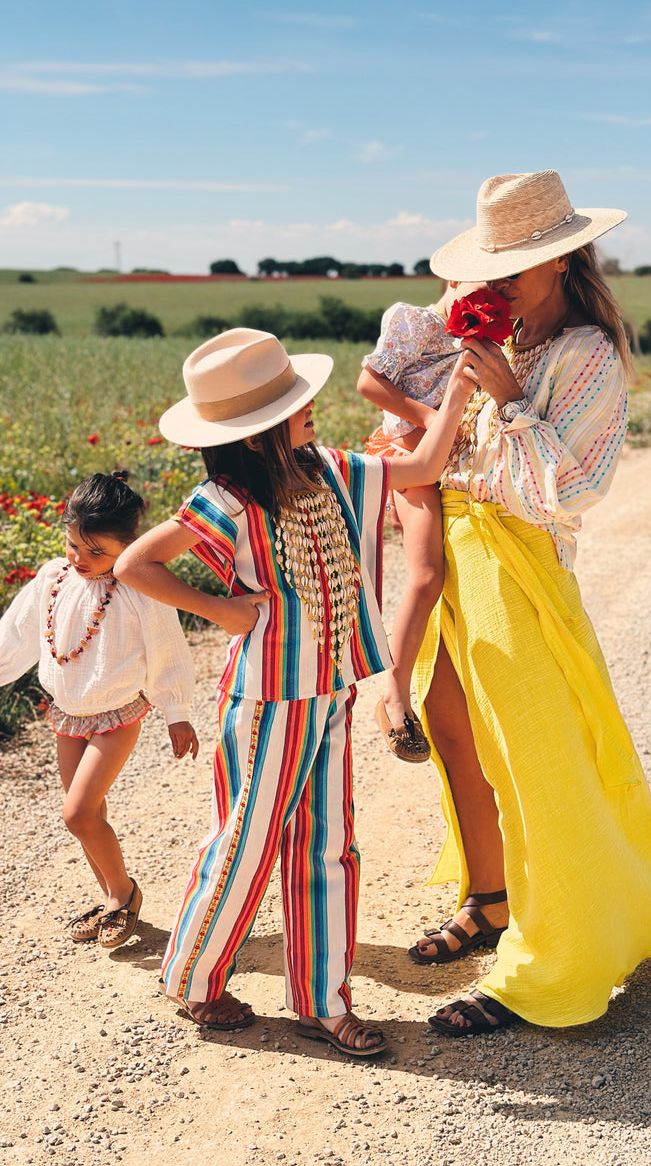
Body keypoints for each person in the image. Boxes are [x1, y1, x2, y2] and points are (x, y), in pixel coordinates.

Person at [115, 326, 473, 1052]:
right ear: (255, 437)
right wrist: (220, 610)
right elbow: (133, 565)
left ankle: (322, 999)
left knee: (329, 844)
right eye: (292, 404)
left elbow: (427, 462)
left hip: (332, 697)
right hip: (267, 704)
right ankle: (191, 978)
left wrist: (462, 386)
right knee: (246, 842)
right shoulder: (225, 500)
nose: (311, 406)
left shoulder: (339, 471)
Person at [407, 170, 651, 1036]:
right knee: (453, 736)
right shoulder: (488, 338)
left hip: (521, 573)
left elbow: (571, 489)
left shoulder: (586, 357)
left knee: (539, 766)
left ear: (565, 262)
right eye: (488, 275)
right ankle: (490, 899)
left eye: (515, 274)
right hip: (451, 561)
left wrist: (506, 401)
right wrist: (437, 405)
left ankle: (552, 956)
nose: (496, 292)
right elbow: (439, 455)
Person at [0, 471, 198, 950]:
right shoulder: (52, 578)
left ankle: (125, 895)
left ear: (129, 547)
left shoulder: (137, 588)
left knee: (76, 814)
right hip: (67, 712)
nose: (81, 560)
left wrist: (177, 711)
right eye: (73, 546)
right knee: (90, 815)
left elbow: (167, 648)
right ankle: (111, 893)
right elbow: (18, 633)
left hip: (116, 713)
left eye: (98, 553)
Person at [357, 280, 481, 763]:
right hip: (409, 458)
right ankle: (393, 695)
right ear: (452, 278)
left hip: (452, 464)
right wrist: (431, 419)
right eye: (477, 279)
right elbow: (370, 382)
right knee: (427, 575)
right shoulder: (412, 319)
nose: (488, 288)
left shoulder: (486, 335)